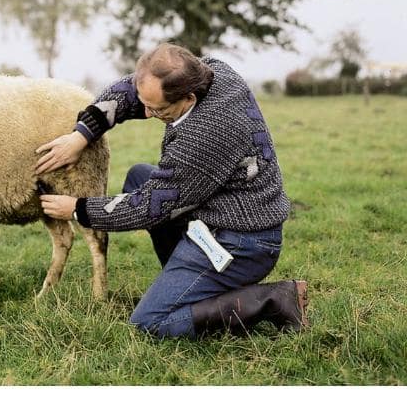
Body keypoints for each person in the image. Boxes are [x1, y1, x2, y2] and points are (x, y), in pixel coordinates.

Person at [36, 42, 308, 338]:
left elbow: (148, 206)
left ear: (188, 98)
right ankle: (191, 282)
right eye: (147, 104)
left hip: (242, 242)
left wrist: (77, 208)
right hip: (218, 211)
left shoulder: (205, 137)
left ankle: (273, 300)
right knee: (140, 175)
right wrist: (82, 134)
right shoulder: (214, 71)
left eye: (158, 109)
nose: (149, 114)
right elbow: (129, 91)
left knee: (150, 322)